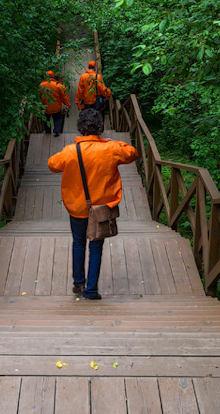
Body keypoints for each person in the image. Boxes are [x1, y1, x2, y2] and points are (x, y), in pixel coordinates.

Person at [47, 108, 138, 299]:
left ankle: (78, 284)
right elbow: (132, 153)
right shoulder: (111, 149)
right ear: (100, 128)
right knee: (96, 247)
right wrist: (112, 142)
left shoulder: (71, 151)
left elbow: (52, 165)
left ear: (80, 128)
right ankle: (91, 290)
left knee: (79, 243)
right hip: (101, 209)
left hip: (78, 208)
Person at [39, 71, 70, 136]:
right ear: (53, 76)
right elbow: (65, 97)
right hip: (57, 107)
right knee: (57, 118)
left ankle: (48, 132)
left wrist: (41, 105)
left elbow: (39, 97)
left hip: (46, 107)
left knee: (46, 119)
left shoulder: (41, 86)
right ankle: (56, 131)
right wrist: (68, 105)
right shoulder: (60, 86)